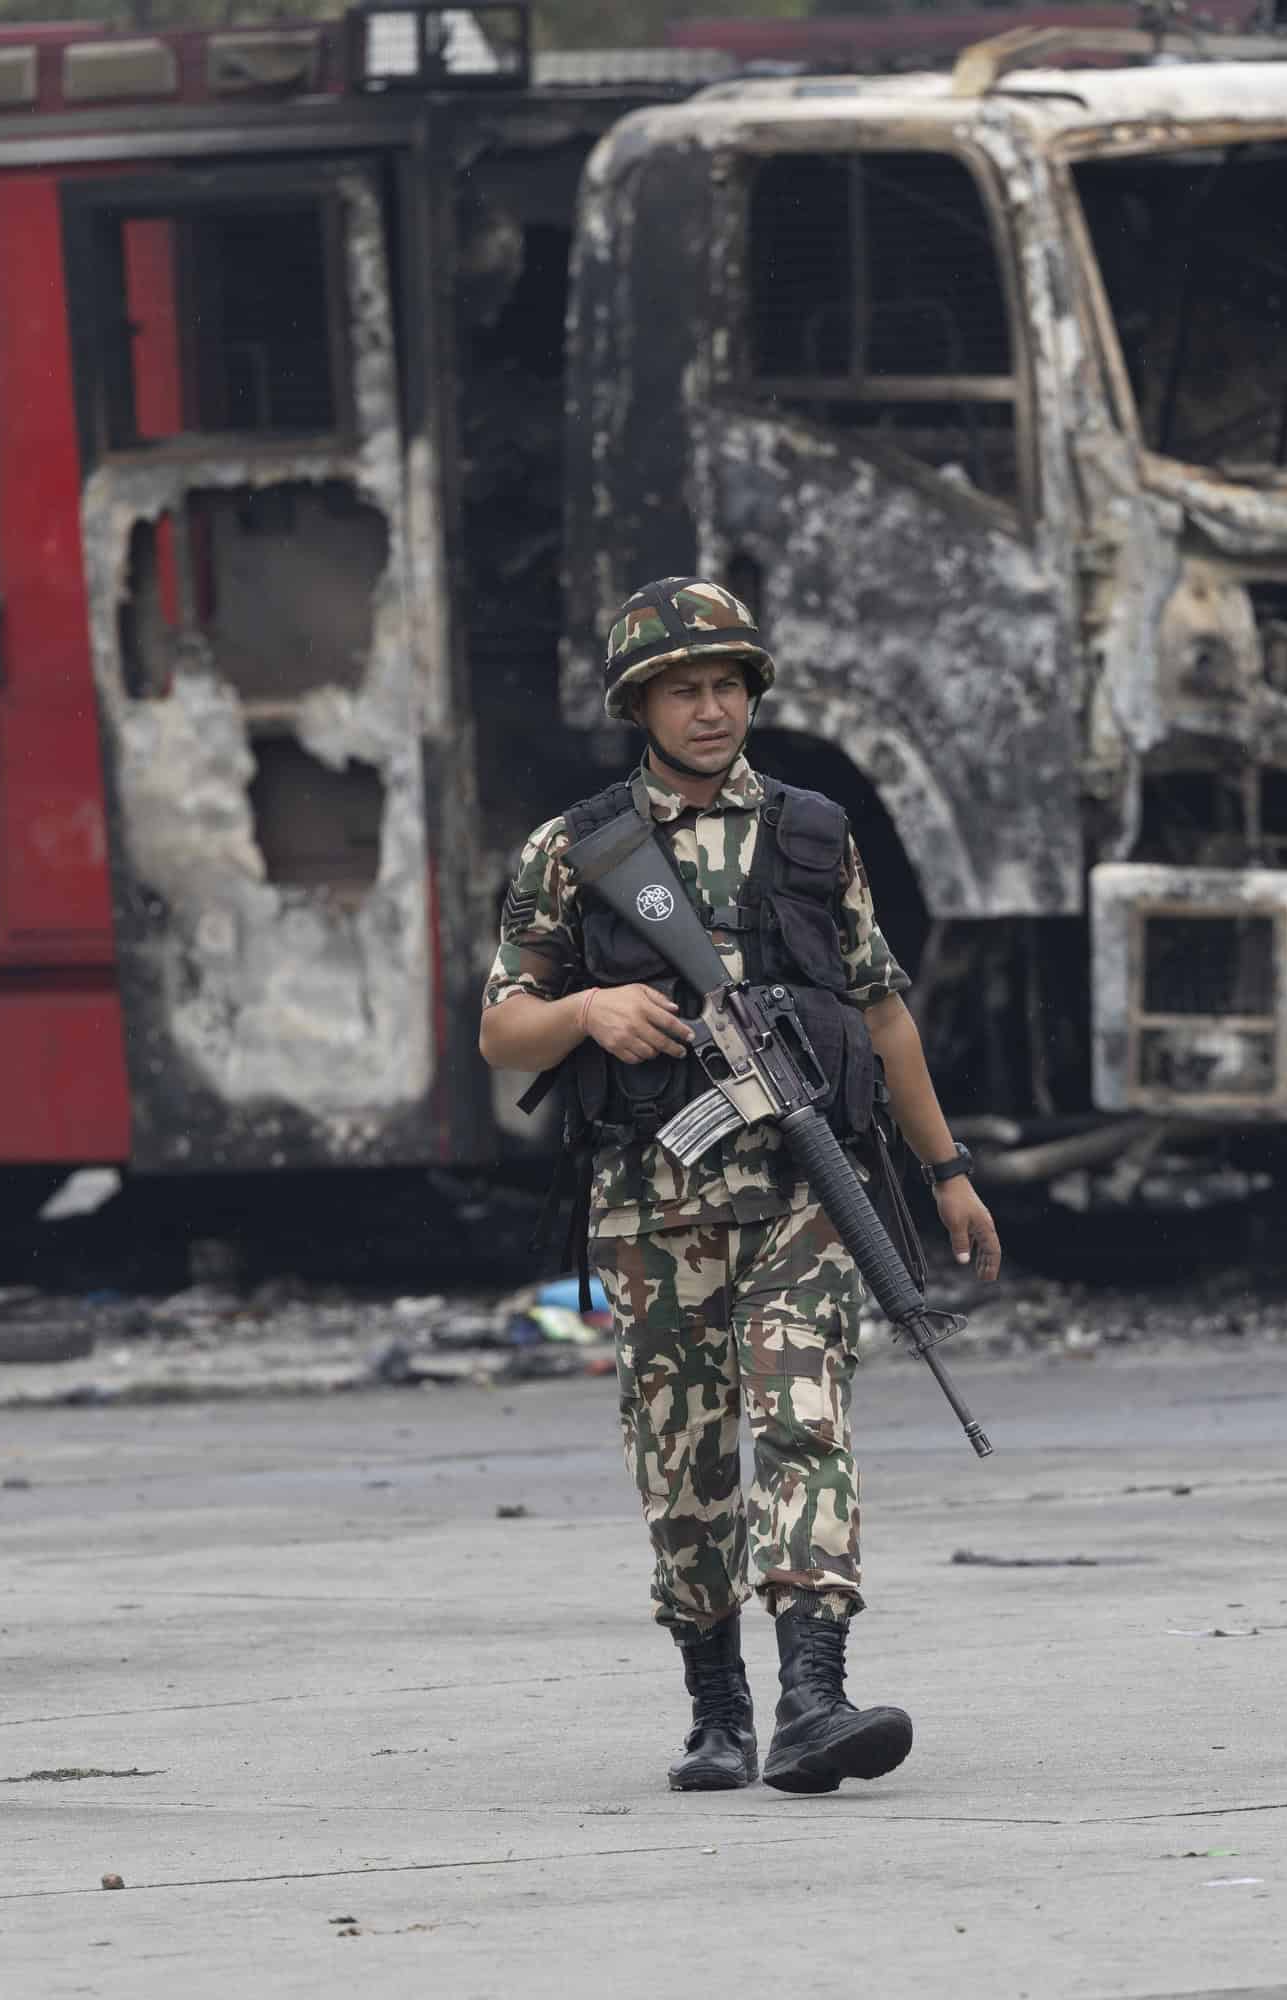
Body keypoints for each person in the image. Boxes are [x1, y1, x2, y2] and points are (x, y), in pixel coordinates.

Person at [477, 576, 1001, 1795]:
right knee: (685, 1458)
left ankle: (815, 1694)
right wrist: (589, 1010)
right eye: (683, 689)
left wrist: (947, 1171)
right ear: (640, 706)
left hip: (807, 1195)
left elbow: (883, 1010)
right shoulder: (578, 848)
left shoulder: (815, 833)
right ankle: (718, 1705)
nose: (710, 709)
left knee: (805, 1416)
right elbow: (502, 1031)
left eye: (726, 685)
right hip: (652, 1205)